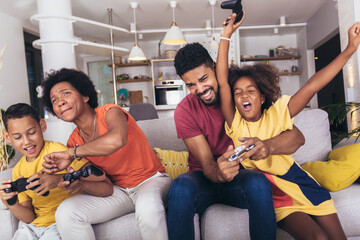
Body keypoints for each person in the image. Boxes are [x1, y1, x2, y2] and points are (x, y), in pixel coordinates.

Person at [217, 14, 360, 239]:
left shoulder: (277, 112)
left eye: (251, 90)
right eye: (238, 92)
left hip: (302, 182)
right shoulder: (235, 123)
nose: (244, 95)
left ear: (262, 97)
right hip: (276, 193)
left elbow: (312, 85)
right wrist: (225, 37)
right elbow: (222, 81)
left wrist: (350, 50)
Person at [167, 14, 306, 240]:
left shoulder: (241, 94)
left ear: (214, 67)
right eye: (191, 85)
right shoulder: (184, 110)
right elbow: (207, 164)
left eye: (204, 79)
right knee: (180, 186)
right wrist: (219, 172)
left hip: (242, 178)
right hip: (205, 178)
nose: (200, 89)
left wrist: (267, 146)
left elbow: (297, 138)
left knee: (259, 183)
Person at [40, 68, 171, 240]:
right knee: (67, 212)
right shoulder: (74, 141)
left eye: (66, 93)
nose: (60, 102)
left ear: (85, 96)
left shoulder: (110, 112)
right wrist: (76, 181)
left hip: (151, 180)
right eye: (54, 100)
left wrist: (72, 153)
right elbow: (105, 186)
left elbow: (116, 139)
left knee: (148, 206)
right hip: (119, 192)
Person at [0, 103, 112, 240]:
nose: (26, 141)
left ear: (42, 126)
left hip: (57, 224)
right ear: (7, 137)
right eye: (18, 137)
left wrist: (62, 177)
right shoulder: (18, 170)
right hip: (31, 227)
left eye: (31, 133)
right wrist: (11, 203)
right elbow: (29, 217)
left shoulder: (56, 152)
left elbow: (99, 177)